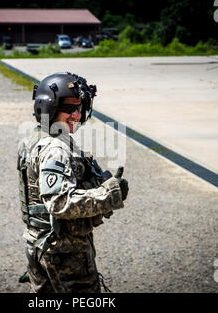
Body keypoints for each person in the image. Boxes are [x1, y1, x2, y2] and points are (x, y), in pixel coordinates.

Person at [17, 72, 129, 293]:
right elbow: (59, 203)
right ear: (48, 107)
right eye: (69, 108)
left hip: (43, 245)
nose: (76, 115)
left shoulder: (39, 138)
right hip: (63, 252)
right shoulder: (55, 149)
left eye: (79, 107)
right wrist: (110, 194)